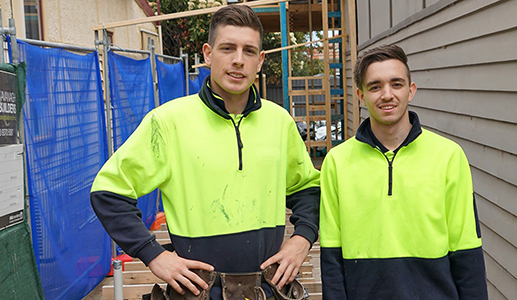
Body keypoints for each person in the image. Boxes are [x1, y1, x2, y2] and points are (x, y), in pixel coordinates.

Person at [90, 4, 320, 299]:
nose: (238, 60)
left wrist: (302, 239)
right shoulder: (169, 122)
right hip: (198, 291)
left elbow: (307, 188)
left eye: (249, 51)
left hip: (266, 290)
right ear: (208, 54)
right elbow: (108, 192)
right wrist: (154, 255)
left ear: (260, 60)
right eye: (228, 48)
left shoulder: (279, 122)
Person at [319, 44, 488, 299]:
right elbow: (331, 259)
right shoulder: (336, 162)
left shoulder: (448, 156)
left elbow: (467, 251)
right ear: (361, 96)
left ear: (411, 91)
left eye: (396, 84)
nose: (387, 94)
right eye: (375, 86)